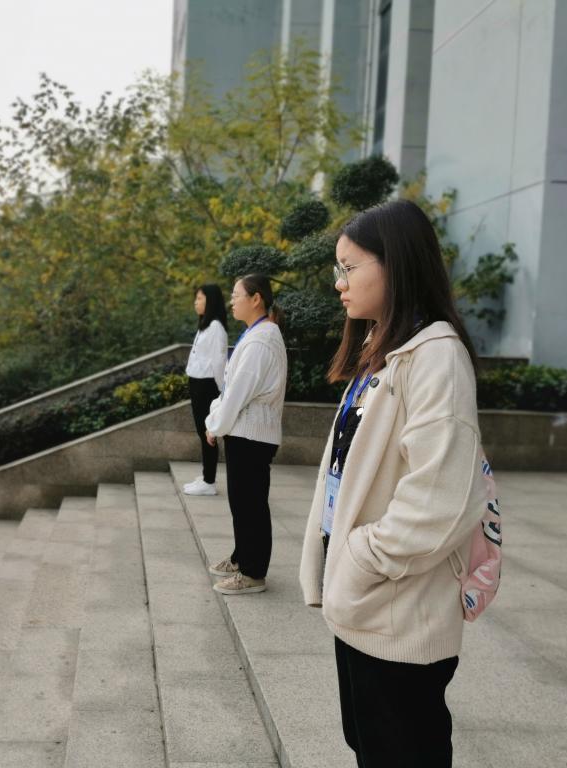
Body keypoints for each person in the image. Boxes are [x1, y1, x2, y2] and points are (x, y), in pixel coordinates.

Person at [298, 199, 487, 767]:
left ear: (396, 264)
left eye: (349, 267)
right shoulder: (383, 350)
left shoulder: (436, 358)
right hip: (367, 601)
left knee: (400, 751)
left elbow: (439, 499)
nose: (339, 283)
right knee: (369, 745)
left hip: (397, 605)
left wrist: (362, 557)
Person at [204, 274, 287, 595]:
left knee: (250, 504)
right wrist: (217, 421)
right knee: (243, 503)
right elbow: (232, 390)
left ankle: (253, 573)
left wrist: (214, 425)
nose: (232, 301)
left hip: (251, 437)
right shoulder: (257, 334)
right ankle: (242, 558)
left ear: (256, 299)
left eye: (237, 295)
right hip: (246, 435)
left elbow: (237, 393)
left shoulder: (260, 341)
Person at [183, 283, 229, 496]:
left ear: (210, 301)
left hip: (207, 385)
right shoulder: (206, 325)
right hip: (198, 382)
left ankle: (209, 481)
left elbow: (219, 362)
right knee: (202, 432)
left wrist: (221, 391)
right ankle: (206, 476)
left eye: (200, 298)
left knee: (207, 432)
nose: (196, 302)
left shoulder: (216, 328)